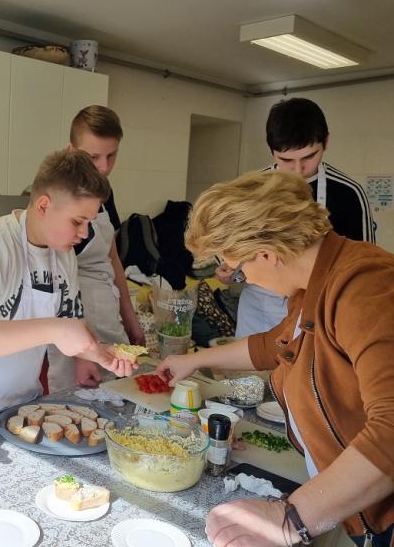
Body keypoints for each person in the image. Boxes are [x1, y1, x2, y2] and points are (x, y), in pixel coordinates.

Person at [158, 171, 394, 547]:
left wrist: (291, 519)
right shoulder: (313, 285)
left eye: (239, 269)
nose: (244, 279)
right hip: (351, 502)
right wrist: (194, 359)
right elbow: (276, 345)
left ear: (267, 253)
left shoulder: (364, 286)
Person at [0, 150, 136, 434]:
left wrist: (93, 355)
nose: (84, 233)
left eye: (89, 223)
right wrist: (54, 330)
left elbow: (69, 318)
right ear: (44, 205)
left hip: (19, 408)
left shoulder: (64, 256)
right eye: (77, 221)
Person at [220, 97, 376, 337]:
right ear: (271, 150)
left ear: (326, 142)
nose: (298, 169)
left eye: (308, 157)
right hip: (259, 306)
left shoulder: (347, 193)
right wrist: (229, 268)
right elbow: (235, 248)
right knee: (251, 371)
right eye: (286, 160)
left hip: (318, 308)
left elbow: (365, 268)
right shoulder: (252, 190)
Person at [47, 106, 145, 392]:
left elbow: (111, 254)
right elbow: (56, 282)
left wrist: (129, 316)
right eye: (93, 157)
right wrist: (82, 352)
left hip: (107, 316)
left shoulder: (104, 191)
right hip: (76, 329)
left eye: (111, 155)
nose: (103, 167)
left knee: (118, 398)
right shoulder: (60, 200)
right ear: (71, 150)